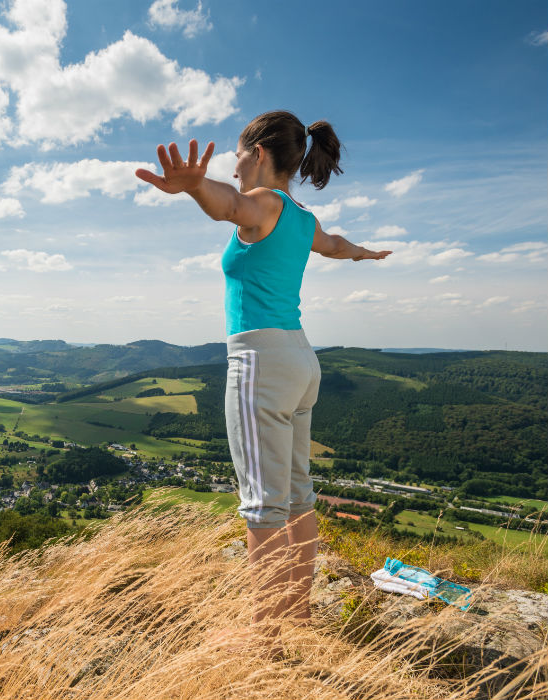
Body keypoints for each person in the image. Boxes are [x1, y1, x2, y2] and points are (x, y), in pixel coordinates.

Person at [135, 110, 391, 644]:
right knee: (298, 497)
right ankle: (295, 621)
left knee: (263, 507)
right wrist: (363, 253)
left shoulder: (267, 204)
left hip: (261, 362)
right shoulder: (301, 216)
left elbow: (230, 204)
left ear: (259, 153)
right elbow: (336, 244)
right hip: (300, 360)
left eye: (237, 152)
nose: (233, 160)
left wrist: (194, 187)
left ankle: (266, 640)